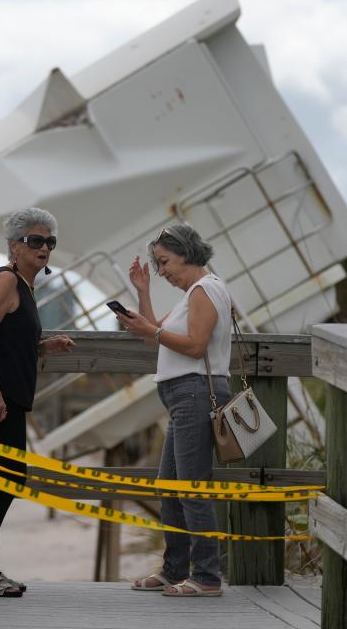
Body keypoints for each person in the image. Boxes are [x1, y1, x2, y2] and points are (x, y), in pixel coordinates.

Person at [0, 207, 75, 598]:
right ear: (14, 246)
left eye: (50, 242)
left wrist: (44, 346)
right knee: (6, 478)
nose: (45, 248)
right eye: (36, 241)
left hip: (12, 395)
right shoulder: (6, 281)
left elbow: (8, 339)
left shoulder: (24, 287)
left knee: (7, 477)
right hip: (2, 398)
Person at [116, 223, 232, 597]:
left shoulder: (206, 289)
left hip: (195, 392)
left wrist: (152, 331)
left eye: (165, 262)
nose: (162, 270)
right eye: (158, 264)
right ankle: (175, 569)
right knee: (170, 487)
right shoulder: (191, 295)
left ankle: (208, 577)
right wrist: (143, 292)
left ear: (186, 253)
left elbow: (196, 346)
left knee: (191, 488)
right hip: (182, 395)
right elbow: (156, 334)